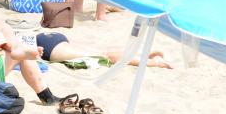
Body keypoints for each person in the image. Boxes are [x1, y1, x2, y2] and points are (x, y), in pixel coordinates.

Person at [34, 31, 172, 69]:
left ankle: (155, 62)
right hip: (50, 37)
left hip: (50, 48)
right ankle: (146, 55)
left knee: (105, 56)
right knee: (103, 51)